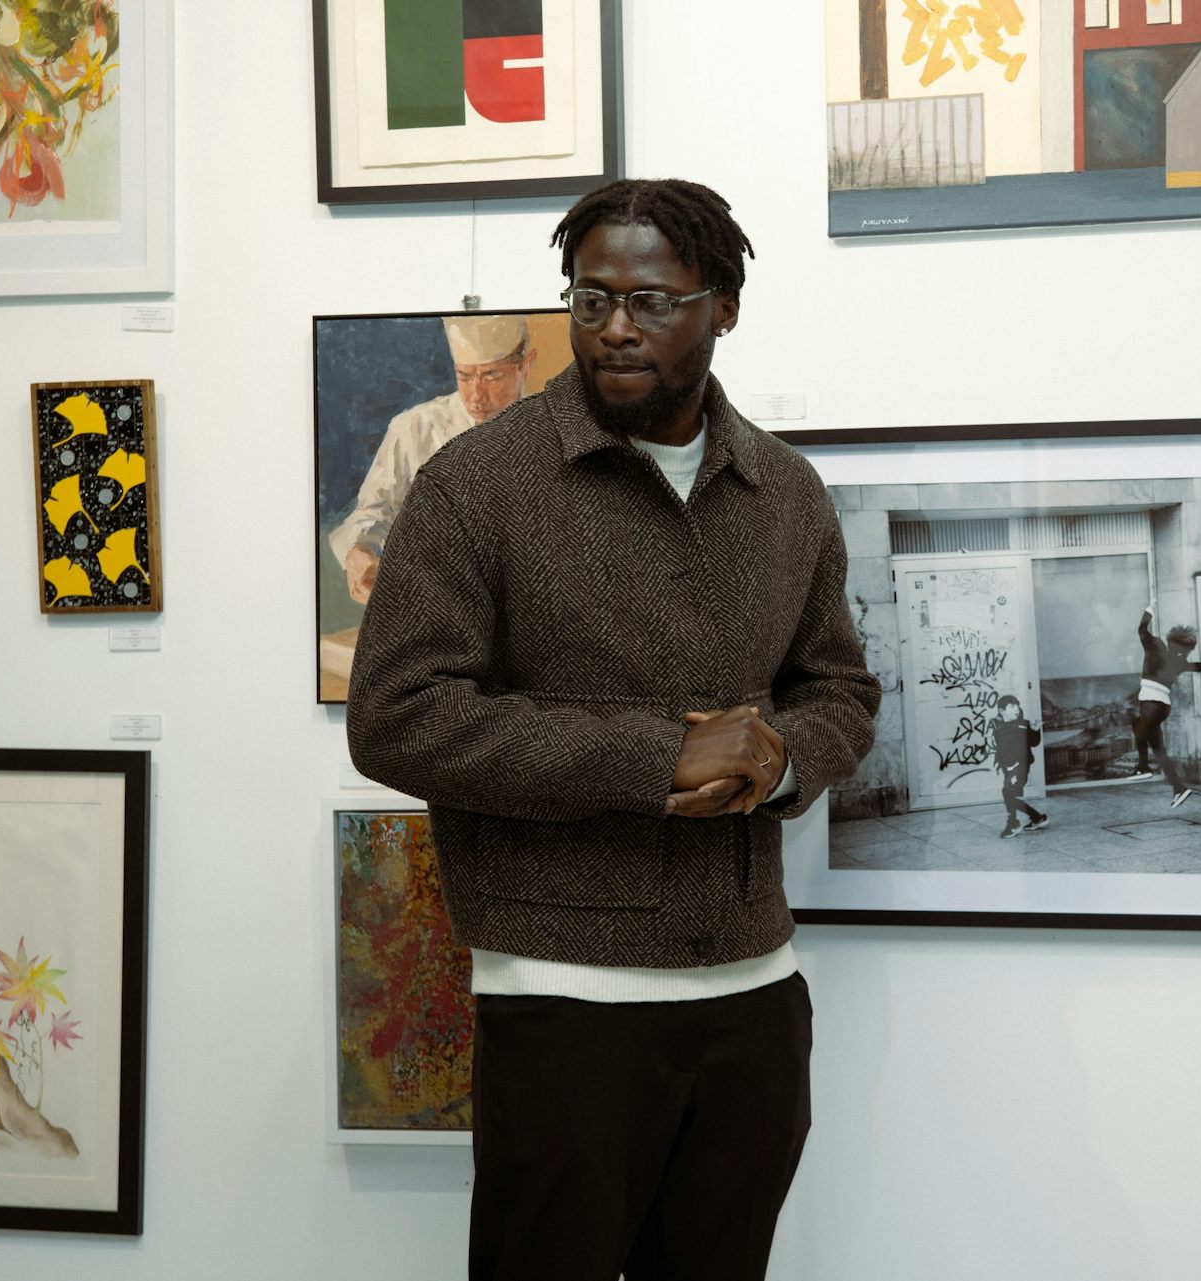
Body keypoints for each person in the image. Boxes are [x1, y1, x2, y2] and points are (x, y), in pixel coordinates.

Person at [346, 177, 880, 1281]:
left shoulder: (785, 491)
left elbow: (839, 692)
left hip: (753, 994)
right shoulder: (477, 483)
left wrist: (783, 763)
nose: (615, 329)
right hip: (564, 1002)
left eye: (651, 300)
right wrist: (651, 759)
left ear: (722, 306)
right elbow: (397, 718)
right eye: (590, 302)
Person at [327, 313, 537, 605]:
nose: (475, 395)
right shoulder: (414, 428)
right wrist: (359, 550)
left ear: (525, 366)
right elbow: (373, 511)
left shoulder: (544, 432)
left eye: (491, 376)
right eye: (464, 376)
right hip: (428, 604)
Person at [1131, 599, 1201, 808]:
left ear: (1169, 641)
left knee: (1141, 729)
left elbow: (1141, 628)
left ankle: (1144, 768)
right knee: (1153, 742)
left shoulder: (1155, 646)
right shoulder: (1181, 662)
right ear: (1187, 648)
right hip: (1162, 707)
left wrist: (1150, 608)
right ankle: (1178, 788)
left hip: (1150, 702)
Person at [989, 694, 1048, 838]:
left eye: (1017, 706)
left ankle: (1013, 824)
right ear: (1002, 710)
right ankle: (1037, 818)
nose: (1016, 709)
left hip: (1021, 765)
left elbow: (1034, 743)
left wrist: (1035, 730)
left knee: (1007, 792)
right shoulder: (995, 724)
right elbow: (996, 743)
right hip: (1006, 766)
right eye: (1012, 706)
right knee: (1012, 796)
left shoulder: (1024, 724)